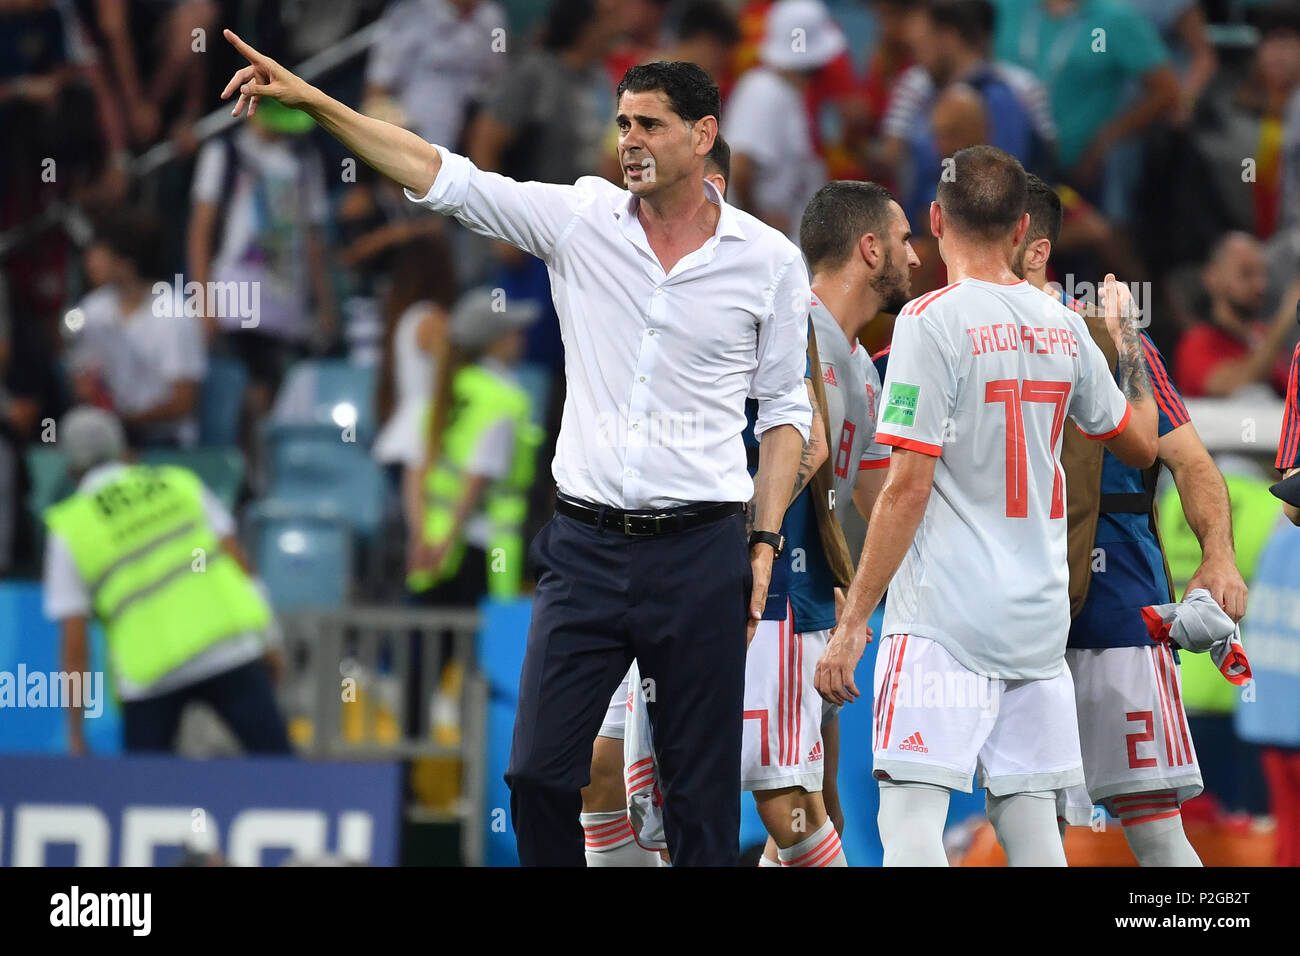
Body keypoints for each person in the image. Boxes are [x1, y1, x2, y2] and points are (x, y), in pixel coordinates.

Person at [218, 36, 813, 865]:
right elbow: (440, 174)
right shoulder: (579, 219)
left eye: (649, 124)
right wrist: (317, 102)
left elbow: (787, 409)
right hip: (586, 547)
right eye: (621, 123)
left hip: (702, 549)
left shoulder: (770, 260)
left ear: (704, 135)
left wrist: (763, 540)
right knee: (536, 774)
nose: (628, 141)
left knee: (699, 798)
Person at [815, 145, 1160, 866]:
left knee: (909, 823)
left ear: (937, 218)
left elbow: (907, 486)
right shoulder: (1063, 325)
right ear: (1021, 226)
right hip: (1037, 623)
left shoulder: (930, 320)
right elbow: (1139, 445)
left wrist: (852, 624)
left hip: (945, 619)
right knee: (1032, 832)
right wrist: (1125, 334)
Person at [1014, 174, 1247, 865]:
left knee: (1151, 823)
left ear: (1031, 244)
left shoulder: (1114, 338)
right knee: (1028, 816)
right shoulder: (950, 326)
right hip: (1010, 602)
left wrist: (1219, 557)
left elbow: (1195, 464)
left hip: (1116, 606)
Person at [579, 139, 732, 866]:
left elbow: (800, 438)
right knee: (598, 775)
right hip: (609, 558)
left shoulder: (751, 285)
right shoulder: (612, 269)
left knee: (687, 793)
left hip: (699, 565)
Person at [42, 406, 290, 755]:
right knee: (282, 774)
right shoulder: (179, 483)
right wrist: (271, 640)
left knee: (145, 800)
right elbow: (240, 565)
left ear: (70, 471)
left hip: (150, 674)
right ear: (128, 453)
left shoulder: (70, 529)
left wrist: (75, 732)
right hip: (225, 646)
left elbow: (75, 646)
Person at [68, 208, 206, 448]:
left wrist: (125, 422)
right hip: (109, 437)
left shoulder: (174, 313)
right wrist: (88, 392)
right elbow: (83, 377)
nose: (89, 261)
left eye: (98, 253)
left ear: (126, 264)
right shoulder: (92, 308)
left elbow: (184, 401)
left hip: (164, 441)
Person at [724, 0, 842, 239]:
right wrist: (760, 226)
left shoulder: (786, 93)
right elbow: (739, 169)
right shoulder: (763, 90)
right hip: (762, 250)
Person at [362, 0, 507, 150]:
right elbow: (379, 81)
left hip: (464, 126)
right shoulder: (413, 11)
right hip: (411, 123)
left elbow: (496, 74)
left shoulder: (492, 17)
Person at [1174, 231, 1300, 398]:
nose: (1260, 285)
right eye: (1246, 274)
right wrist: (1286, 314)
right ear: (1213, 278)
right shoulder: (1196, 343)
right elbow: (1236, 385)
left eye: (1262, 273)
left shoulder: (1262, 335)